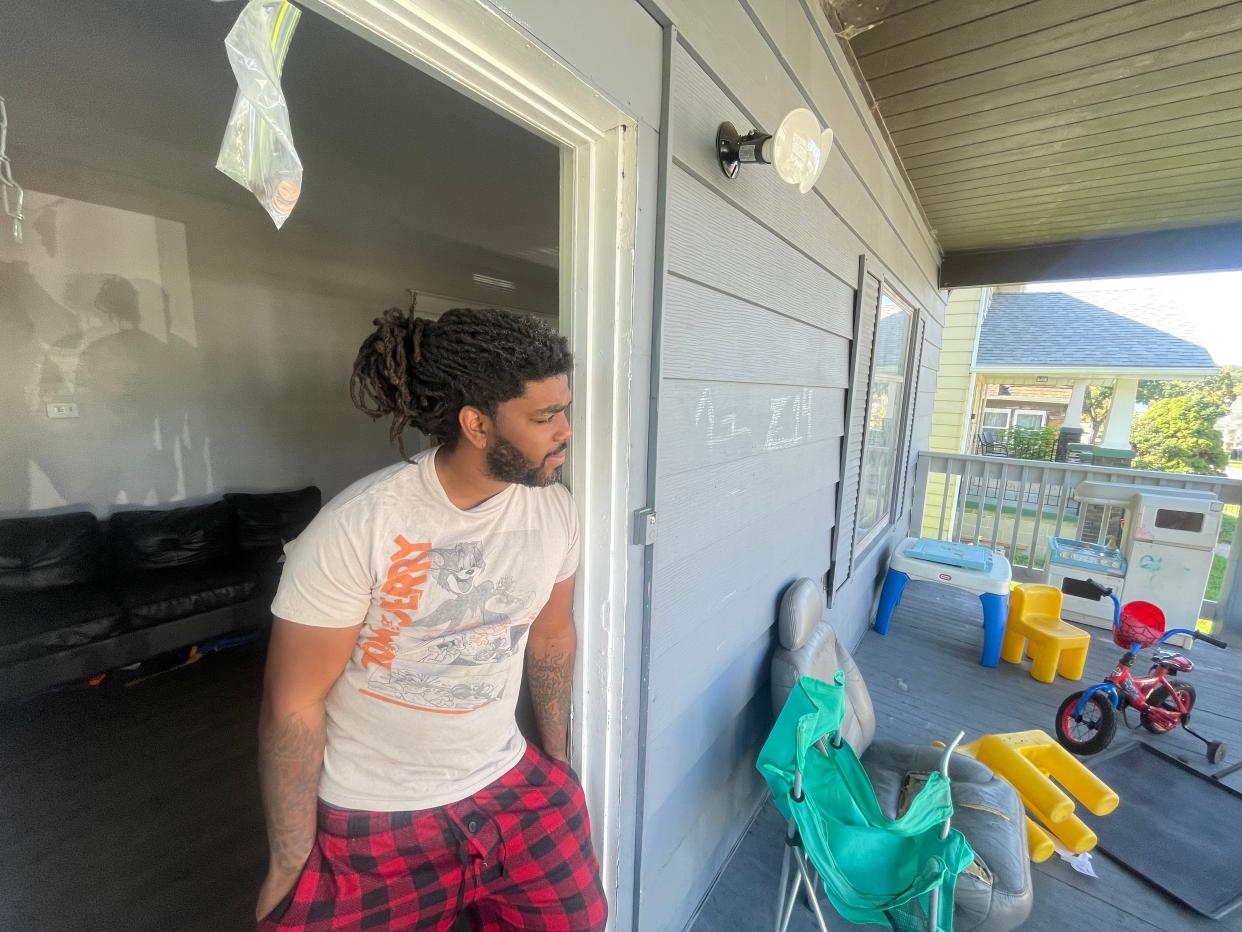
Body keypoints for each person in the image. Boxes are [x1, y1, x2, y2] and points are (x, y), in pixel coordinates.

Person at [255, 306, 606, 931]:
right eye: (545, 416)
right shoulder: (359, 525)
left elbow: (551, 637)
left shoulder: (555, 512)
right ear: (476, 424)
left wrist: (558, 761)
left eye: (565, 411)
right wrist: (289, 858)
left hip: (509, 780)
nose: (566, 431)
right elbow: (294, 703)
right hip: (372, 815)